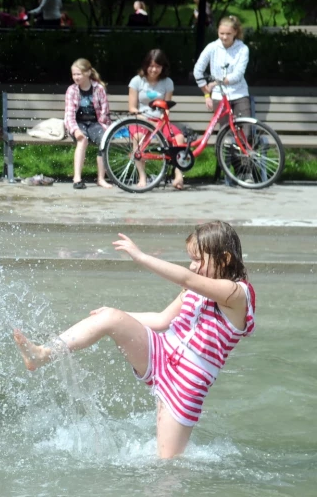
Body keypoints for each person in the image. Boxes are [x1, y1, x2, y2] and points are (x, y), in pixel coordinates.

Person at [13, 221, 255, 459]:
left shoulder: (236, 295)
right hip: (161, 351)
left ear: (224, 259)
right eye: (190, 259)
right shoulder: (195, 289)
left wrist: (141, 258)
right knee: (110, 318)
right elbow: (161, 320)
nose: (192, 266)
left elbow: (187, 279)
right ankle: (43, 354)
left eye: (198, 260)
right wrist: (120, 315)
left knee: (168, 464)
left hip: (188, 381)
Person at [193, 16, 250, 185]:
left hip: (239, 94)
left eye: (228, 34)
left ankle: (245, 172)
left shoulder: (242, 49)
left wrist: (220, 80)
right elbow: (198, 70)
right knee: (227, 136)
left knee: (244, 134)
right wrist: (206, 92)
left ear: (235, 33)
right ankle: (230, 172)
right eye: (221, 33)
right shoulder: (212, 47)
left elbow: (238, 74)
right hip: (219, 95)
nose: (224, 37)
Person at [128, 49, 189, 189]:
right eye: (151, 66)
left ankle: (179, 176)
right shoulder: (136, 81)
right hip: (141, 120)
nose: (154, 70)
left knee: (179, 139)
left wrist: (162, 118)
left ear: (163, 67)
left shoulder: (167, 82)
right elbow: (132, 108)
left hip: (160, 121)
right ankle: (142, 177)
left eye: (158, 66)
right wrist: (144, 119)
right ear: (145, 65)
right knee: (138, 138)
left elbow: (166, 106)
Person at [64, 58, 112, 190]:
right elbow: (69, 115)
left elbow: (105, 111)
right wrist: (75, 130)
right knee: (82, 140)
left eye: (78, 74)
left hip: (95, 123)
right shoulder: (72, 90)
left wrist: (104, 127)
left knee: (103, 140)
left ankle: (101, 178)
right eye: (74, 74)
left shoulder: (99, 89)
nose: (76, 77)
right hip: (78, 123)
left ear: (88, 73)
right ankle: (77, 178)